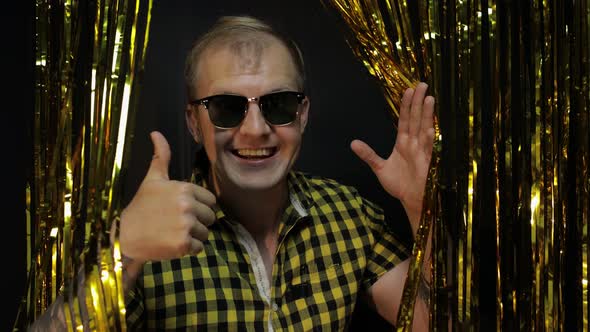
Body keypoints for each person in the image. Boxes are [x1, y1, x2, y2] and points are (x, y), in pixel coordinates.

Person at [31, 15, 435, 331]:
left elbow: (427, 323)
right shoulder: (149, 239)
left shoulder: (347, 214)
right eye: (227, 107)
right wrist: (125, 253)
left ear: (303, 114)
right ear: (193, 122)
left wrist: (423, 208)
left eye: (278, 104)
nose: (256, 129)